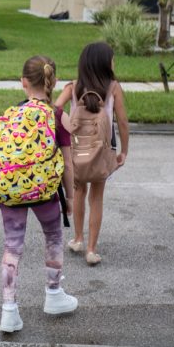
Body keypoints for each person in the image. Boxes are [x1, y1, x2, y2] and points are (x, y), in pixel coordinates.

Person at [0, 55, 77, 334]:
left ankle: (9, 311)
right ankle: (54, 295)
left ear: (23, 83)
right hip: (45, 191)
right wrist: (71, 198)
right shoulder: (57, 116)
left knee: (12, 246)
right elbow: (67, 163)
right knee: (54, 236)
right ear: (52, 81)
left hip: (10, 189)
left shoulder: (10, 115)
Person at [55, 42, 130, 266]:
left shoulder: (73, 87)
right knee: (96, 197)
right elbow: (123, 122)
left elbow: (55, 110)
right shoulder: (113, 88)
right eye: (112, 58)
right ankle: (91, 250)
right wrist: (124, 150)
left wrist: (67, 129)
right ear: (104, 63)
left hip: (76, 149)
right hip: (102, 150)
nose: (114, 62)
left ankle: (77, 239)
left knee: (78, 191)